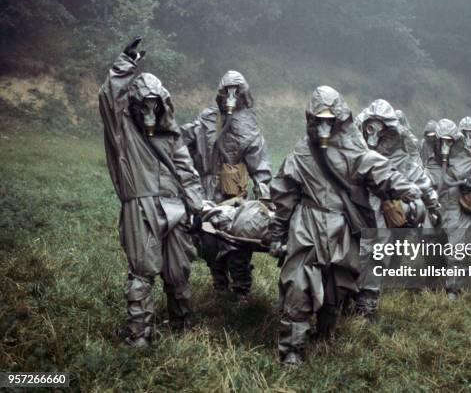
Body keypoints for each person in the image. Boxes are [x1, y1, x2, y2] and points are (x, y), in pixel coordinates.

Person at [266, 86, 423, 365]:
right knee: (298, 286)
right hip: (308, 225)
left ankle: (325, 333)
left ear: (339, 119)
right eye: (319, 120)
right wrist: (277, 234)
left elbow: (380, 170)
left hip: (341, 226)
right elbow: (284, 193)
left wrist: (407, 190)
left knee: (337, 285)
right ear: (311, 120)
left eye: (330, 119)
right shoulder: (302, 152)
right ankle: (292, 350)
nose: (325, 126)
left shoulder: (353, 150)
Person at [99, 37, 206, 347]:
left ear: (162, 104)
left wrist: (198, 207)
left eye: (154, 104)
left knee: (179, 271)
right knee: (143, 271)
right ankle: (138, 337)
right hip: (141, 207)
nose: (149, 111)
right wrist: (125, 64)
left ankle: (182, 325)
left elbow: (187, 172)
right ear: (134, 104)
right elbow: (109, 97)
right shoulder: (123, 132)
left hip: (174, 208)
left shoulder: (171, 135)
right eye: (143, 104)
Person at [181, 70, 272, 302]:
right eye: (227, 92)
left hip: (235, 199)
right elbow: (183, 139)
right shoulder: (208, 120)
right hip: (207, 194)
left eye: (237, 92)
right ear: (220, 94)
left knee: (237, 247)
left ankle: (241, 292)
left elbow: (260, 164)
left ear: (244, 95)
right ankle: (219, 284)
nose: (232, 98)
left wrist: (265, 199)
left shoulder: (249, 127)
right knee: (208, 243)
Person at [353, 99, 440, 317]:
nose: (374, 133)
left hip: (380, 213)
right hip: (352, 210)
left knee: (376, 254)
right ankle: (345, 299)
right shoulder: (351, 147)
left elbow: (419, 178)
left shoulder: (398, 156)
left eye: (381, 129)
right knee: (349, 253)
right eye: (371, 127)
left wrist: (433, 204)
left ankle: (367, 302)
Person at [424, 119, 471, 300]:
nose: (446, 145)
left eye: (449, 141)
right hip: (436, 210)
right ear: (436, 140)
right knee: (431, 248)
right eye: (442, 140)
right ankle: (432, 282)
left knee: (456, 251)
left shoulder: (465, 158)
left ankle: (453, 289)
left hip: (457, 211)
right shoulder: (431, 161)